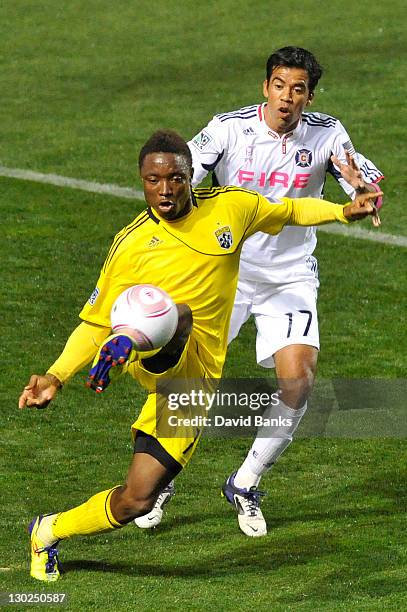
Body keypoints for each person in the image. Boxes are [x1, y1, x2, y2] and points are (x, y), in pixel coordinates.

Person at [19, 129, 381, 582]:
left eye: (175, 178)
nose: (164, 190)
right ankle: (131, 339)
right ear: (141, 180)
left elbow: (289, 210)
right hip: (155, 355)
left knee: (137, 499)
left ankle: (47, 531)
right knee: (179, 314)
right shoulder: (130, 244)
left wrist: (343, 211)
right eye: (153, 181)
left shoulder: (232, 205)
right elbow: (94, 321)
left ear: (192, 175)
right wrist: (56, 375)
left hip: (193, 385)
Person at [135, 47, 384, 536]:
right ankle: (158, 478)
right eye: (278, 86)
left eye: (297, 90)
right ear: (264, 87)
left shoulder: (328, 133)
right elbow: (182, 174)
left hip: (290, 275)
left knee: (299, 381)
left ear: (309, 96)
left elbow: (360, 176)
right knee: (186, 382)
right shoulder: (229, 129)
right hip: (225, 273)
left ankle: (244, 482)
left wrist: (362, 187)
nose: (286, 97)